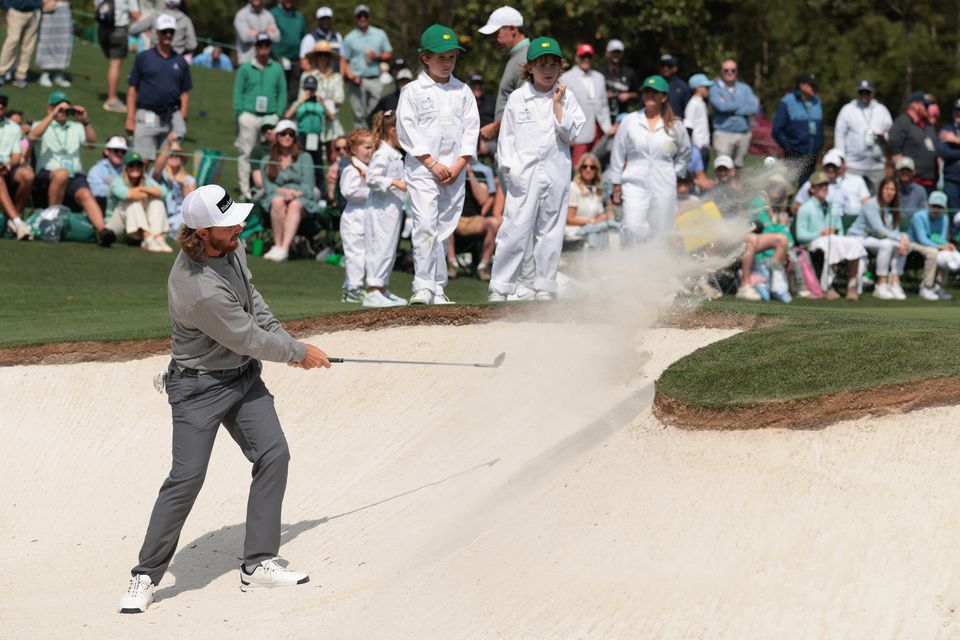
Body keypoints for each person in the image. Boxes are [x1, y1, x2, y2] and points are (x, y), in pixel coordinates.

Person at [116, 184, 331, 615]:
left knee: (274, 454)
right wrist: (296, 353)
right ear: (202, 232)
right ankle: (145, 573)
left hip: (242, 378)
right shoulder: (197, 289)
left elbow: (255, 306)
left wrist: (288, 341)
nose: (240, 227)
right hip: (199, 388)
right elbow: (247, 336)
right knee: (187, 478)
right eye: (229, 224)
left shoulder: (231, 248)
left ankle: (258, 563)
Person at [487, 36, 584, 302]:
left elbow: (571, 133)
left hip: (556, 172)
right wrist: (510, 169)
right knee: (515, 228)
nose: (548, 70)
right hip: (524, 173)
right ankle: (501, 286)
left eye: (553, 64)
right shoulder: (519, 98)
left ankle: (544, 286)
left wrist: (558, 105)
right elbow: (505, 137)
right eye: (541, 64)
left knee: (551, 229)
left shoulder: (567, 96)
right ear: (529, 67)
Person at [397, 24, 479, 305]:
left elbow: (471, 130)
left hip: (454, 172)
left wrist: (459, 165)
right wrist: (431, 163)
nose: (447, 63)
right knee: (425, 224)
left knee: (443, 228)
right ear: (426, 58)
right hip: (422, 169)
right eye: (442, 57)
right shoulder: (413, 91)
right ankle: (422, 285)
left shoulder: (463, 91)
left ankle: (438, 287)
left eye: (452, 57)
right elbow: (407, 130)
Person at [609, 74, 691, 245]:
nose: (649, 95)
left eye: (654, 92)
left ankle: (656, 267)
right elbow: (617, 152)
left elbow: (685, 151)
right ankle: (634, 263)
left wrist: (676, 172)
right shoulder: (630, 121)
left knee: (661, 229)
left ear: (664, 97)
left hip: (664, 182)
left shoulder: (675, 125)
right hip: (634, 182)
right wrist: (616, 184)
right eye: (646, 91)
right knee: (632, 226)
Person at [30, 90, 115, 247]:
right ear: (50, 108)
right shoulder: (41, 124)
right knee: (61, 174)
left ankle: (103, 231)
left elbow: (91, 144)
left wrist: (86, 121)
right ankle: (50, 223)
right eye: (58, 107)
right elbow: (33, 137)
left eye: (65, 108)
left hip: (74, 176)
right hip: (48, 174)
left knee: (84, 193)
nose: (62, 112)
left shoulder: (76, 127)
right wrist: (52, 115)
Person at [125, 14, 192, 161]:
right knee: (142, 161)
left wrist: (182, 117)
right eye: (164, 32)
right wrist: (130, 117)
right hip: (147, 114)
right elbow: (132, 89)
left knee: (168, 162)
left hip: (171, 117)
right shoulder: (144, 58)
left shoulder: (181, 62)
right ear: (157, 33)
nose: (168, 35)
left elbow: (185, 93)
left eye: (171, 32)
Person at [795, 170, 866, 301]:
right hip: (812, 245)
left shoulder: (832, 207)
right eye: (820, 185)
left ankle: (852, 285)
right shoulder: (805, 208)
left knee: (854, 244)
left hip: (832, 241)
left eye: (826, 185)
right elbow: (800, 235)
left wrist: (835, 232)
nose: (824, 188)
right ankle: (828, 286)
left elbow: (840, 230)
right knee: (831, 244)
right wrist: (820, 233)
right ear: (812, 189)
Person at [362, 110, 409, 307]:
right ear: (392, 131)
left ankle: (382, 287)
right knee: (379, 247)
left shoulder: (394, 155)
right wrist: (394, 182)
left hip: (392, 210)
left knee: (389, 248)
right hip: (380, 210)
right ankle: (373, 289)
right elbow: (371, 178)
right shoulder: (382, 154)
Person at [233, 32, 287, 199]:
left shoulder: (277, 68)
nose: (263, 48)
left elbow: (282, 92)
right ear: (255, 47)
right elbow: (238, 91)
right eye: (260, 45)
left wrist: (278, 114)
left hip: (270, 116)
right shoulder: (246, 68)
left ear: (270, 47)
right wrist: (240, 112)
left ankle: (266, 188)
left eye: (266, 45)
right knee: (246, 152)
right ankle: (245, 190)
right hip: (249, 114)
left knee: (271, 153)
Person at [259, 119, 318, 262]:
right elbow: (268, 186)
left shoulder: (305, 157)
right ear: (277, 136)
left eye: (291, 134)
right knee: (277, 201)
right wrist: (285, 193)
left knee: (295, 205)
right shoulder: (267, 160)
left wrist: (295, 194)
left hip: (301, 197)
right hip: (277, 195)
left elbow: (309, 185)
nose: (287, 137)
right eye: (283, 134)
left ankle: (284, 248)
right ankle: (277, 245)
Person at [848, 176, 909, 300]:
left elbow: (893, 230)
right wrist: (902, 237)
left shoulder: (891, 207)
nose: (889, 192)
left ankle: (895, 282)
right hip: (857, 237)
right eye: (887, 188)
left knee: (900, 245)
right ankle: (881, 284)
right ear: (881, 189)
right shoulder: (871, 204)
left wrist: (903, 240)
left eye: (892, 189)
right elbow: (879, 229)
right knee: (887, 244)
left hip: (873, 239)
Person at [477, 6, 527, 142]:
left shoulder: (525, 58)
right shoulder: (517, 58)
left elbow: (528, 105)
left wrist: (496, 127)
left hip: (521, 143)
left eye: (496, 34)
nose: (492, 40)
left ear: (512, 29)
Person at [104, 150, 171, 252]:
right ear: (126, 167)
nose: (135, 168)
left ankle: (157, 237)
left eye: (138, 165)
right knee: (130, 203)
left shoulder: (146, 180)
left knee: (157, 202)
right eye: (131, 165)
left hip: (134, 231)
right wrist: (148, 192)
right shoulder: (117, 181)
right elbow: (128, 195)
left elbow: (163, 192)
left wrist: (143, 189)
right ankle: (147, 238)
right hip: (115, 229)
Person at [833, 79, 892, 191]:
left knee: (877, 201)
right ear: (857, 93)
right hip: (853, 165)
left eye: (867, 92)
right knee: (853, 200)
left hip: (876, 166)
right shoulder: (848, 109)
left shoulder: (882, 110)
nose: (864, 95)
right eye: (861, 92)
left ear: (873, 93)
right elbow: (839, 135)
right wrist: (841, 159)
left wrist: (884, 137)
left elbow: (891, 133)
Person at [340, 4, 392, 129]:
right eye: (359, 16)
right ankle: (361, 143)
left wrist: (377, 57)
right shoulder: (349, 38)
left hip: (375, 78)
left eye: (365, 16)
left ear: (369, 17)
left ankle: (375, 139)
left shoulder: (380, 34)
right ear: (356, 18)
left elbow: (389, 53)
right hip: (357, 80)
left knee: (376, 112)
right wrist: (350, 76)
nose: (362, 19)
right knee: (359, 115)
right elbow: (343, 60)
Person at [560, 43, 611, 167]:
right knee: (579, 166)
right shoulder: (566, 78)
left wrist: (608, 128)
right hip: (579, 131)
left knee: (598, 166)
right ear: (577, 57)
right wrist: (568, 133)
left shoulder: (599, 77)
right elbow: (563, 107)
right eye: (583, 56)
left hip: (600, 129)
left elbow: (604, 105)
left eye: (589, 57)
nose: (586, 60)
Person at [338, 127, 373, 302]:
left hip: (367, 216)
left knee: (365, 254)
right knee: (355, 254)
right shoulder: (351, 170)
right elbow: (348, 191)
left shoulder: (369, 168)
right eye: (366, 147)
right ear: (353, 149)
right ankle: (354, 288)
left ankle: (352, 287)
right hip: (354, 217)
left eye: (372, 147)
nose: (370, 151)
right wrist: (374, 192)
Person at [449, 161, 499, 281]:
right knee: (444, 222)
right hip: (455, 218)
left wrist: (470, 173)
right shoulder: (451, 166)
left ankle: (483, 267)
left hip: (474, 220)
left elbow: (483, 200)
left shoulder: (482, 171)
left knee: (494, 223)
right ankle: (452, 264)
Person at [772, 73, 823, 187]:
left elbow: (819, 128)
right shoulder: (787, 101)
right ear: (802, 85)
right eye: (812, 86)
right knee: (786, 188)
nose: (815, 89)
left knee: (807, 189)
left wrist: (819, 147)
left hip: (812, 156)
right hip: (793, 155)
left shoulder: (817, 101)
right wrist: (788, 147)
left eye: (816, 86)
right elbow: (777, 130)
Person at [909, 190, 959, 301]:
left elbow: (940, 238)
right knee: (933, 252)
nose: (936, 209)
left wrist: (948, 246)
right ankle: (926, 287)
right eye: (934, 205)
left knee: (947, 253)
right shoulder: (919, 216)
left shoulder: (944, 218)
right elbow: (922, 239)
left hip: (932, 245)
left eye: (939, 206)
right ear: (929, 204)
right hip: (914, 243)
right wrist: (941, 246)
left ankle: (938, 287)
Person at [709, 58, 758, 170]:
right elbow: (721, 107)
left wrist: (729, 106)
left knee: (737, 170)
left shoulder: (745, 88)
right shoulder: (715, 88)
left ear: (737, 71)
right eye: (726, 70)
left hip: (743, 134)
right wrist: (741, 105)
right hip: (723, 134)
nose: (730, 72)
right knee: (723, 170)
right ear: (721, 71)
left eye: (733, 70)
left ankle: (735, 188)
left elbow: (753, 108)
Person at [791, 148, 870, 215]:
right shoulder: (810, 184)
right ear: (823, 166)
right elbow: (795, 207)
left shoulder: (842, 189)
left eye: (833, 167)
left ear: (838, 168)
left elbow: (848, 212)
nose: (830, 169)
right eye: (828, 166)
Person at [888, 90, 938, 193]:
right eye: (925, 105)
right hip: (912, 183)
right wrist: (905, 175)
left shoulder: (928, 124)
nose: (928, 108)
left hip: (930, 182)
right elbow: (895, 153)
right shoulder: (902, 123)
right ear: (915, 105)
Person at [0, 91, 32, 238]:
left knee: (28, 175)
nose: (0, 106)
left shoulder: (13, 128)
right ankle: (18, 223)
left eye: (3, 103)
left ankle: (14, 218)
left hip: (6, 167)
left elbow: (16, 156)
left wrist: (7, 165)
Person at [98, 0, 140, 112]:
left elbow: (97, 8)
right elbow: (135, 14)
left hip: (102, 29)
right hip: (118, 29)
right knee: (115, 64)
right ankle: (112, 99)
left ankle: (111, 96)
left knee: (112, 64)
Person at [152, 131, 195, 233]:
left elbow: (192, 203)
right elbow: (156, 170)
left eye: (177, 155)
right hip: (162, 213)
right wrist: (168, 145)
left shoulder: (189, 179)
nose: (174, 157)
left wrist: (184, 184)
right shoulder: (162, 175)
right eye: (171, 155)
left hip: (181, 214)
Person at [270, 0, 305, 105]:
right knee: (279, 89)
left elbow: (303, 37)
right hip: (278, 59)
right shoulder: (273, 14)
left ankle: (290, 116)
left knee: (294, 92)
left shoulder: (299, 16)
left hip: (296, 60)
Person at [129, 0, 196, 56]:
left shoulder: (156, 15)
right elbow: (193, 44)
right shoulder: (185, 19)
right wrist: (180, 49)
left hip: (154, 55)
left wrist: (147, 30)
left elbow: (133, 29)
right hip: (175, 56)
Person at [0, 0, 41, 89]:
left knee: (28, 45)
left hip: (34, 11)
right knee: (13, 40)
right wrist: (5, 5)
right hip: (15, 10)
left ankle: (20, 75)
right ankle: (1, 72)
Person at [595, 39, 638, 120]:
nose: (616, 55)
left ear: (622, 54)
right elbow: (590, 93)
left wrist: (628, 95)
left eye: (618, 52)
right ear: (607, 53)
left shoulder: (629, 73)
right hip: (601, 116)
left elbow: (637, 94)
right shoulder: (598, 72)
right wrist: (603, 95)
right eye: (613, 52)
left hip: (622, 116)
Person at [35, 0, 73, 88]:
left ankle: (59, 74)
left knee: (63, 42)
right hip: (49, 8)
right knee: (47, 41)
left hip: (64, 9)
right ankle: (44, 75)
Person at [234, 0, 279, 65]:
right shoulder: (241, 14)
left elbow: (277, 37)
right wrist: (266, 33)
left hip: (265, 62)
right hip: (247, 61)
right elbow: (245, 37)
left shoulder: (268, 15)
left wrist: (256, 33)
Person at [298, 6, 342, 71]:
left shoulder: (338, 36)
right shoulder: (309, 38)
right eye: (322, 19)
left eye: (328, 19)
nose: (325, 21)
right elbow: (303, 61)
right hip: (317, 78)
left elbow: (342, 60)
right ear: (318, 20)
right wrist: (315, 75)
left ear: (331, 20)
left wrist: (339, 77)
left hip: (335, 78)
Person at [937, 98, 960, 214]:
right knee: (954, 215)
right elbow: (944, 153)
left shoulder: (952, 135)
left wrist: (955, 140)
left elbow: (950, 153)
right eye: (956, 111)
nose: (958, 114)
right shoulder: (946, 129)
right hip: (951, 179)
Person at [88, 135, 128, 200]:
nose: (120, 154)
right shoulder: (97, 170)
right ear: (107, 151)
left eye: (123, 152)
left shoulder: (129, 168)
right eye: (116, 150)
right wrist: (122, 191)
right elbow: (95, 190)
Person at [684, 73, 711, 166]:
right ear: (697, 87)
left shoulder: (701, 103)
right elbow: (688, 127)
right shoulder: (693, 104)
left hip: (704, 146)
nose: (708, 89)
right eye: (705, 87)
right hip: (697, 147)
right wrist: (692, 149)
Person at [659, 54, 689, 118]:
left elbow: (688, 110)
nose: (665, 68)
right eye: (662, 65)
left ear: (675, 68)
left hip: (676, 123)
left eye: (669, 66)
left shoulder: (682, 86)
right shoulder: (654, 84)